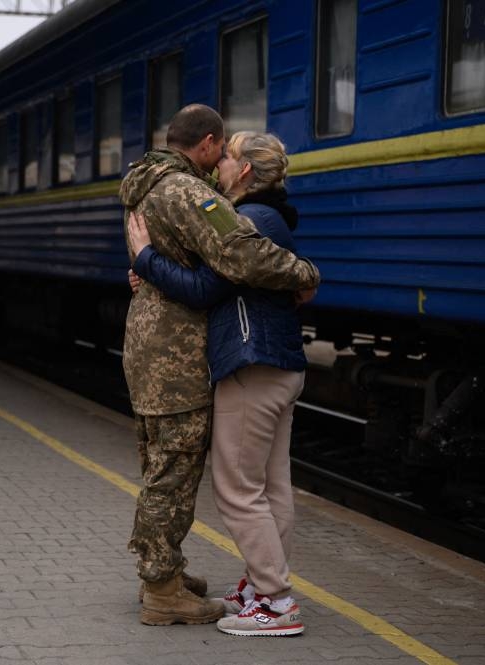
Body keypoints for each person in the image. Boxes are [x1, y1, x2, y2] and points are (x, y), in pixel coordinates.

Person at [120, 104, 320, 627]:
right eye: (222, 151)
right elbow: (228, 269)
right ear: (207, 143)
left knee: (206, 477)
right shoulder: (193, 193)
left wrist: (146, 264)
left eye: (231, 157)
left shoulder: (150, 187)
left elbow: (219, 271)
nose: (220, 167)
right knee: (192, 474)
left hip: (221, 358)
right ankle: (175, 583)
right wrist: (306, 272)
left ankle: (262, 593)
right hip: (187, 357)